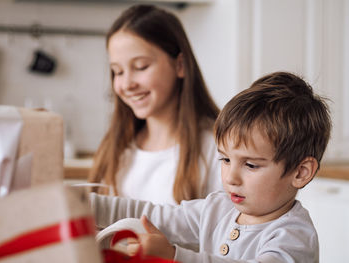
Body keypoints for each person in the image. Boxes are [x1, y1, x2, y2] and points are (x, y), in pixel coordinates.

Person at [90, 71, 332, 262]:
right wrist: (83, 203)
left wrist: (175, 256)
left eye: (250, 165)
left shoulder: (294, 236)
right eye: (225, 160)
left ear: (300, 172)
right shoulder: (217, 209)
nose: (231, 178)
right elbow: (154, 215)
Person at [88, 5, 222, 204]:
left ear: (180, 65)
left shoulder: (216, 148)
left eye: (140, 67)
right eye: (118, 72)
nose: (127, 84)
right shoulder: (116, 147)